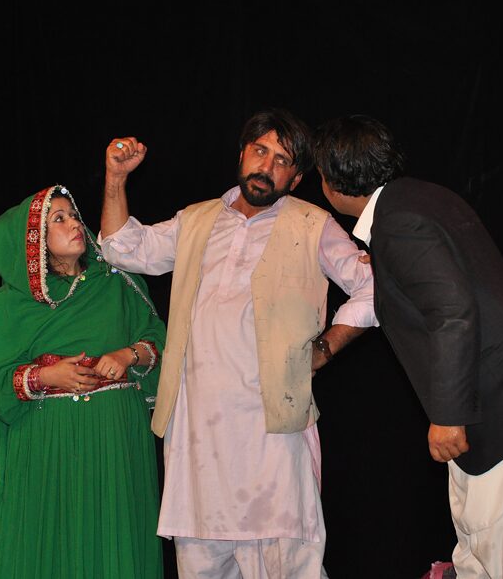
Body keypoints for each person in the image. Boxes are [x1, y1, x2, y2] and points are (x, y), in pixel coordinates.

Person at [313, 115, 503, 579]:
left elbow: (452, 312)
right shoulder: (419, 199)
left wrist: (448, 415)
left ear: (333, 181)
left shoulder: (398, 222)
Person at [99, 108, 377, 578]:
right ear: (242, 153)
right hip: (198, 441)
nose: (266, 166)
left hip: (273, 439)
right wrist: (115, 179)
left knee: (289, 567)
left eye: (282, 160)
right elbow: (122, 248)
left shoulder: (313, 224)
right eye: (260, 151)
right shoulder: (197, 219)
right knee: (202, 566)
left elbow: (373, 288)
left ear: (296, 178)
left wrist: (326, 347)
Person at [0, 185, 166, 579]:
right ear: (32, 240)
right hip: (46, 445)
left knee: (112, 544)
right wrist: (46, 375)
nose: (75, 224)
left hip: (114, 442)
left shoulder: (117, 283)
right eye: (58, 219)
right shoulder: (8, 305)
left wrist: (127, 355)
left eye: (74, 215)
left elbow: (161, 344)